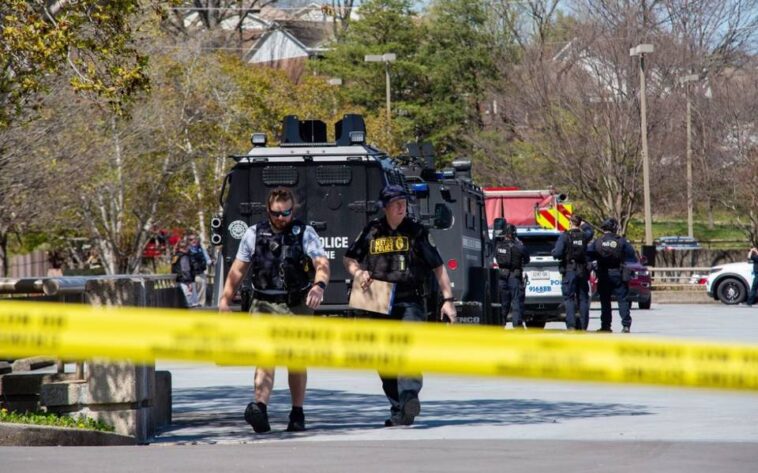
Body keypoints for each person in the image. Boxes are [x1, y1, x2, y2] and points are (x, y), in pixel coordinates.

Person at [343, 184, 457, 427]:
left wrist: (448, 301)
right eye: (395, 203)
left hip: (409, 299)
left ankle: (409, 398)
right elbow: (349, 257)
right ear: (385, 207)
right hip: (377, 299)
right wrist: (357, 272)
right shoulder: (372, 231)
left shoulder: (416, 232)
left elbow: (438, 266)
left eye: (403, 202)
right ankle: (399, 409)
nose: (400, 206)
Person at [219, 187, 330, 433]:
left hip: (295, 304)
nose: (281, 218)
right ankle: (260, 409)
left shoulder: (305, 233)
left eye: (286, 213)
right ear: (268, 211)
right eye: (276, 213)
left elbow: (321, 263)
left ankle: (297, 413)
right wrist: (225, 300)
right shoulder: (253, 234)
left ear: (293, 210)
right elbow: (238, 270)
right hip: (263, 303)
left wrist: (319, 286)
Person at [587, 218, 638, 333]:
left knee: (605, 302)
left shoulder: (598, 241)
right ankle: (626, 325)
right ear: (614, 228)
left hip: (603, 274)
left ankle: (606, 326)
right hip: (618, 273)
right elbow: (632, 257)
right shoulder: (621, 241)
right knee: (623, 301)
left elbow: (589, 255)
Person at [551, 215, 594, 330]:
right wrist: (584, 224)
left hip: (569, 270)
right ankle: (583, 326)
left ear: (570, 223)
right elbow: (591, 231)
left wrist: (554, 252)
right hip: (582, 271)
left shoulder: (565, 236)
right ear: (579, 224)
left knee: (569, 298)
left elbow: (558, 253)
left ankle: (571, 326)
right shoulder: (585, 236)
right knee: (583, 298)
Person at [494, 223, 530, 328]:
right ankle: (517, 326)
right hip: (514, 277)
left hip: (501, 277)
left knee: (503, 303)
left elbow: (495, 257)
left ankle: (501, 324)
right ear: (513, 233)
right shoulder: (519, 246)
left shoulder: (498, 245)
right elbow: (527, 259)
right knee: (516, 302)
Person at [187, 233, 212, 307]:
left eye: (194, 239)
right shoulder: (187, 250)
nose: (193, 241)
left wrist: (211, 261)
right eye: (191, 240)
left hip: (201, 273)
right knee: (192, 293)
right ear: (188, 241)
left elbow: (208, 260)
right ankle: (194, 307)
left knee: (202, 292)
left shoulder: (201, 249)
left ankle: (201, 308)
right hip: (191, 275)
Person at [172, 239, 197, 308]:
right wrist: (189, 283)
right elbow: (185, 270)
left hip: (179, 280)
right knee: (191, 303)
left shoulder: (176, 256)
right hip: (185, 281)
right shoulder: (184, 256)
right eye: (188, 246)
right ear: (185, 247)